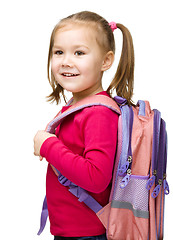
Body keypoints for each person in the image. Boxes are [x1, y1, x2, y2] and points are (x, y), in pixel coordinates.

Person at [34, 11, 134, 240]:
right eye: (59, 52)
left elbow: (96, 178)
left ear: (106, 61)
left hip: (87, 234)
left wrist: (48, 145)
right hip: (72, 231)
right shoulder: (78, 105)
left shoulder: (98, 113)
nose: (66, 61)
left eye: (79, 52)